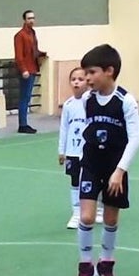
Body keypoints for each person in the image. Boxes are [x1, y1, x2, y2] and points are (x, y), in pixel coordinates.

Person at [73, 44, 139, 276]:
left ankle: (106, 264)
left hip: (115, 168)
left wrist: (120, 171)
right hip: (91, 164)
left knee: (111, 220)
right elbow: (86, 130)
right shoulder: (88, 99)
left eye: (91, 72)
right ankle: (85, 267)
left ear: (109, 71)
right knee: (87, 217)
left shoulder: (125, 101)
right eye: (84, 73)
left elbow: (135, 138)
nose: (87, 78)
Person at [58, 67, 88, 230]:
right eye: (73, 79)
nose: (76, 82)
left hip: (89, 152)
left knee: (93, 179)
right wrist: (61, 150)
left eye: (80, 79)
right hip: (72, 152)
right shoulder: (68, 105)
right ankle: (76, 212)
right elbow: (64, 129)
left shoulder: (91, 102)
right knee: (75, 180)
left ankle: (97, 208)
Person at [14, 10, 47, 134]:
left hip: (33, 67)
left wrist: (41, 54)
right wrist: (23, 70)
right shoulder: (20, 35)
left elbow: (33, 50)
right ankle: (22, 124)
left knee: (27, 97)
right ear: (24, 20)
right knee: (24, 97)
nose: (31, 20)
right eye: (29, 18)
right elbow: (19, 55)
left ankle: (24, 123)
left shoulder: (32, 33)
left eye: (33, 18)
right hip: (27, 70)